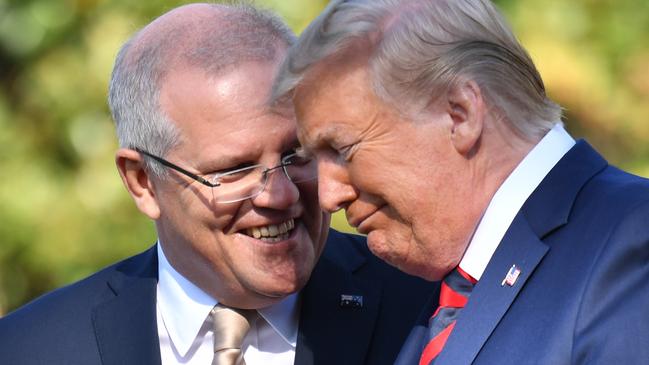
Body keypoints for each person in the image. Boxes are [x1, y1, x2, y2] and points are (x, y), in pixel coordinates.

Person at [0, 3, 433, 365]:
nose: (281, 194)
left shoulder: (426, 308)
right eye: (236, 170)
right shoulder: (30, 348)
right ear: (143, 182)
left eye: (297, 154)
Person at [271, 0, 649, 364]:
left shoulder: (631, 242)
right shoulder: (434, 293)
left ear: (460, 115)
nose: (328, 196)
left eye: (341, 149)